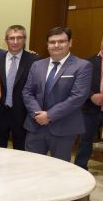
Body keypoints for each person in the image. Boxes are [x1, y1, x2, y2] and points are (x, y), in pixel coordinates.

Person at [23, 27, 92, 162]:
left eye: (61, 41)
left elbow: (78, 97)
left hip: (63, 127)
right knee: (31, 167)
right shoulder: (37, 65)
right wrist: (38, 114)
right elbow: (27, 92)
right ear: (47, 44)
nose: (56, 45)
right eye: (52, 42)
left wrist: (49, 115)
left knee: (60, 171)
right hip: (35, 126)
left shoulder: (82, 66)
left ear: (70, 43)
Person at [0, 25, 40, 150]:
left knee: (22, 151)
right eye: (11, 38)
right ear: (6, 40)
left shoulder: (35, 61)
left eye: (19, 38)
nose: (15, 42)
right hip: (0, 113)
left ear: (25, 40)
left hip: (23, 114)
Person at [74, 36, 103, 169]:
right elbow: (80, 85)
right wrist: (91, 96)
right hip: (90, 109)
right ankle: (80, 168)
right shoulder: (87, 62)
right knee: (85, 141)